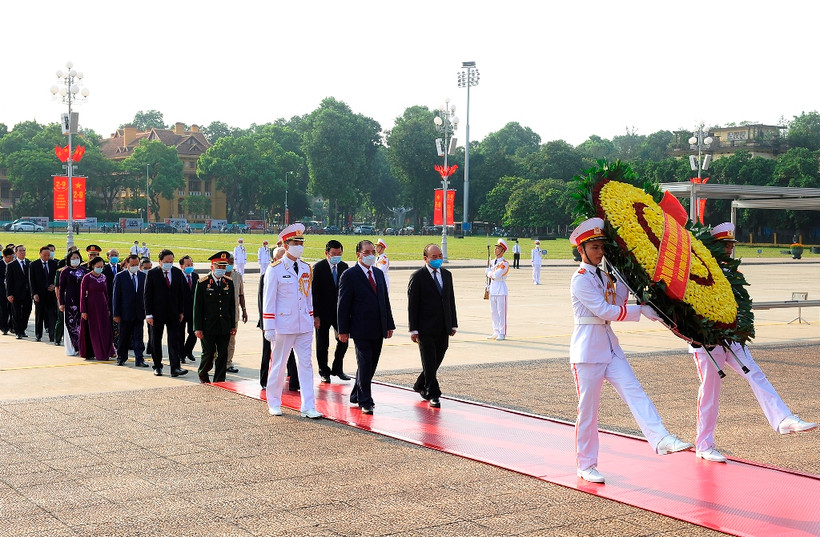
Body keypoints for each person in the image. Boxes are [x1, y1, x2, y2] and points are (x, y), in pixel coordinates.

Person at [569, 217, 692, 484]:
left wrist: (627, 276)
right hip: (588, 352)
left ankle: (661, 438)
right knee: (588, 411)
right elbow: (605, 311)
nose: (599, 252)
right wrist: (641, 310)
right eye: (594, 248)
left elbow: (618, 300)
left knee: (634, 390)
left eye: (602, 247)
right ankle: (586, 464)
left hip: (610, 348)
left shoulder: (603, 275)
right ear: (581, 250)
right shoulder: (580, 280)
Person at [688, 222, 817, 463]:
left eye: (730, 246)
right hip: (706, 342)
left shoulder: (732, 273)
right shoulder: (698, 270)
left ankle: (783, 419)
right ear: (713, 247)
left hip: (732, 337)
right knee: (710, 393)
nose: (729, 250)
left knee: (756, 374)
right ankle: (704, 445)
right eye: (724, 246)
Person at [262, 223, 323, 419]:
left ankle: (308, 406)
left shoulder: (306, 267)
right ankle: (274, 401)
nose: (299, 246)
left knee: (306, 364)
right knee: (278, 365)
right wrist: (269, 326)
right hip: (283, 325)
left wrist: (311, 316)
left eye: (301, 242)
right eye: (296, 242)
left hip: (303, 324)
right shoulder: (276, 269)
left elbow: (308, 297)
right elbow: (269, 300)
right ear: (286, 245)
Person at [337, 239, 395, 415]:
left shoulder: (378, 273)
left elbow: (385, 301)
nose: (371, 255)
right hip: (360, 328)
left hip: (378, 327)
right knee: (364, 363)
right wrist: (343, 330)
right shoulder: (349, 275)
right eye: (366, 252)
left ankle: (356, 394)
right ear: (358, 255)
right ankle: (365, 400)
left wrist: (389, 324)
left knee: (371, 365)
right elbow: (343, 305)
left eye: (372, 252)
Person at [408, 244, 457, 408]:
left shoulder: (447, 275)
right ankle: (433, 393)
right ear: (426, 258)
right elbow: (413, 305)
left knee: (439, 356)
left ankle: (421, 383)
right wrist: (413, 329)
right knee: (429, 361)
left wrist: (453, 323)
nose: (437, 259)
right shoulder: (418, 277)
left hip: (443, 326)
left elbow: (450, 300)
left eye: (440, 256)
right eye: (433, 257)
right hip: (425, 327)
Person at [194, 251, 237, 383]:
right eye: (219, 266)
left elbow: (232, 306)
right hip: (208, 326)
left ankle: (219, 379)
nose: (222, 269)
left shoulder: (228, 283)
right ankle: (203, 374)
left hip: (224, 325)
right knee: (209, 353)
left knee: (223, 354)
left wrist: (233, 325)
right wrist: (198, 328)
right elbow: (197, 307)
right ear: (212, 267)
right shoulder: (202, 283)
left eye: (224, 267)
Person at [312, 239, 351, 383]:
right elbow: (313, 293)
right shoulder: (318, 268)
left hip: (339, 312)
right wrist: (315, 315)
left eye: (339, 253)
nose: (336, 256)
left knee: (344, 340)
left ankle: (337, 368)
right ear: (326, 253)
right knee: (323, 344)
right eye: (334, 254)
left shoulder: (344, 266)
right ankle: (324, 371)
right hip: (322, 313)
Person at [144, 249, 188, 377]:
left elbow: (181, 294)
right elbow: (147, 295)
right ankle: (157, 366)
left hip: (173, 313)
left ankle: (175, 367)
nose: (169, 264)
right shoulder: (152, 274)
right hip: (156, 313)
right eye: (166, 261)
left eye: (171, 261)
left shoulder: (177, 273)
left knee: (174, 340)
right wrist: (149, 314)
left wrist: (181, 311)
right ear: (160, 261)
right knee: (156, 340)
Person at [112, 254, 149, 367]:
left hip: (139, 313)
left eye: (137, 265)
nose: (134, 267)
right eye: (132, 265)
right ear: (127, 264)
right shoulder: (120, 276)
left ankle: (139, 359)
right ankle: (121, 357)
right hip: (125, 313)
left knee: (139, 337)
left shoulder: (143, 276)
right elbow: (116, 296)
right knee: (124, 336)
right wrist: (116, 313)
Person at [258, 246, 287, 389]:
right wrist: (265, 325)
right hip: (270, 323)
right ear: (275, 259)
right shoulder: (267, 274)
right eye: (281, 257)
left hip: (287, 322)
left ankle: (293, 382)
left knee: (291, 355)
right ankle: (264, 381)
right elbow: (262, 302)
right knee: (267, 354)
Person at [79, 256, 116, 360]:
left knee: (105, 329)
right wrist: (83, 310)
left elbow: (106, 293)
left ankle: (108, 351)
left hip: (103, 306)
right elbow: (82, 295)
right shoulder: (87, 277)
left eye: (101, 266)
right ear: (92, 266)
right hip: (91, 307)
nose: (100, 268)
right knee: (94, 329)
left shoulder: (103, 277)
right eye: (98, 266)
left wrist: (108, 308)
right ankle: (97, 352)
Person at [59, 250, 86, 355]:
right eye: (73, 258)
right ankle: (73, 347)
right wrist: (61, 303)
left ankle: (82, 346)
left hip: (82, 300)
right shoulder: (65, 272)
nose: (75, 260)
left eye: (77, 258)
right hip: (70, 301)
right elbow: (61, 289)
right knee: (71, 324)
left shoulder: (84, 271)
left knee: (82, 324)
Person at [224, 254, 247, 374]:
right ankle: (213, 362)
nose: (230, 264)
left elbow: (241, 294)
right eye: (228, 262)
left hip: (234, 315)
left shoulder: (237, 276)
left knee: (231, 340)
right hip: (220, 315)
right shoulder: (218, 275)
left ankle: (228, 363)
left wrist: (244, 310)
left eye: (232, 262)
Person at [29, 246, 58, 342]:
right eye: (44, 255)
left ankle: (52, 335)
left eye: (48, 255)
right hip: (39, 295)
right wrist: (34, 294)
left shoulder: (54, 264)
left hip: (51, 294)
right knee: (39, 315)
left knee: (52, 315)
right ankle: (38, 334)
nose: (46, 257)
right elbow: (31, 281)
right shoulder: (34, 265)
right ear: (40, 254)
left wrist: (54, 286)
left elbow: (57, 278)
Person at [5, 244, 32, 339]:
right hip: (16, 293)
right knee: (16, 313)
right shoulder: (11, 265)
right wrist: (9, 294)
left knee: (27, 312)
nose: (22, 252)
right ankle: (18, 331)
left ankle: (23, 329)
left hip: (28, 293)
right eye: (20, 251)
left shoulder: (29, 263)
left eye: (24, 250)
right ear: (16, 253)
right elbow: (9, 281)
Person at [485, 239, 510, 341]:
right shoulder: (492, 262)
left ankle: (502, 333)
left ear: (502, 251)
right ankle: (496, 331)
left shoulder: (504, 263)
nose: (495, 250)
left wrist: (488, 272)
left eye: (498, 248)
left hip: (501, 289)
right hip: (493, 288)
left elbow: (495, 275)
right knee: (493, 312)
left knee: (501, 312)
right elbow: (490, 275)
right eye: (495, 248)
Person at [178, 255, 198, 364]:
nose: (190, 267)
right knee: (180, 334)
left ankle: (188, 350)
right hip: (181, 310)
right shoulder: (178, 277)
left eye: (191, 265)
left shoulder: (195, 276)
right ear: (182, 266)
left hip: (193, 310)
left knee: (194, 332)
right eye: (187, 265)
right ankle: (181, 354)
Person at [102, 248, 121, 348]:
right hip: (108, 298)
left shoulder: (121, 268)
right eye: (112, 255)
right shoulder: (104, 269)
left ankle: (118, 341)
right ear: (108, 257)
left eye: (116, 255)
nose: (114, 257)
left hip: (119, 299)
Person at [0, 247, 13, 335]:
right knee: (3, 309)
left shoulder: (13, 264)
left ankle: (12, 326)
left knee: (12, 310)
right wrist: (4, 281)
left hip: (12, 290)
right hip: (1, 290)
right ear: (4, 256)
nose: (11, 259)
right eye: (9, 258)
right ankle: (4, 327)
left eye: (12, 257)